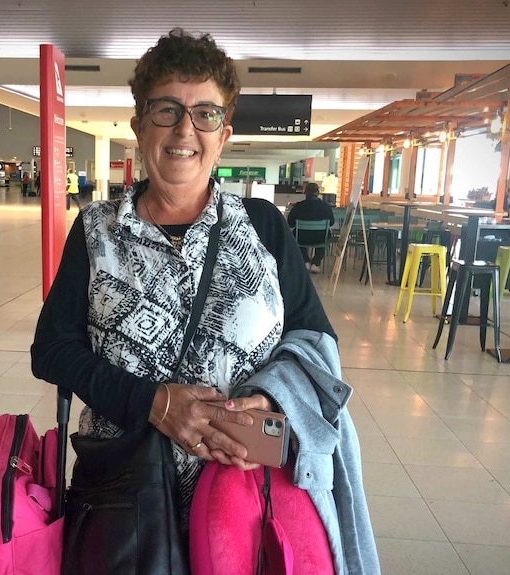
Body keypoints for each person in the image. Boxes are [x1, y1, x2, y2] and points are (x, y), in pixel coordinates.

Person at [32, 28, 378, 574]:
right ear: (139, 124)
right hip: (127, 501)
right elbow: (51, 349)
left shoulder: (262, 226)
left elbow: (315, 341)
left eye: (205, 113)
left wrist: (269, 402)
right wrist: (152, 403)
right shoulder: (96, 230)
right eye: (166, 110)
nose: (184, 129)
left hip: (243, 498)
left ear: (225, 133)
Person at [287, 182, 335, 273]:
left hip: (302, 238)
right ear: (318, 193)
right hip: (320, 238)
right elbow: (331, 223)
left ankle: (305, 261)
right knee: (326, 235)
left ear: (305, 193)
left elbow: (290, 223)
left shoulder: (298, 206)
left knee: (295, 235)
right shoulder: (326, 206)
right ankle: (316, 263)